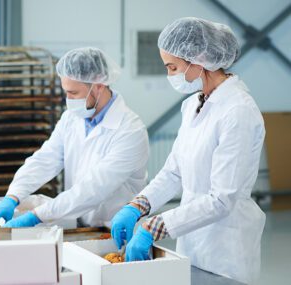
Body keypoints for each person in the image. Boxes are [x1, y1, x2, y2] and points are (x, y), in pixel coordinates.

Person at [111, 17, 266, 284]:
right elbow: (174, 172)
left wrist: (154, 227)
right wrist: (137, 206)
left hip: (225, 248)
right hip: (191, 241)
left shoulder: (238, 111)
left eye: (172, 67)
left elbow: (222, 199)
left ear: (199, 60)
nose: (170, 75)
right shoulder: (193, 104)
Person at [0, 47, 149, 229]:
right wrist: (13, 196)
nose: (68, 99)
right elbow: (46, 159)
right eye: (66, 92)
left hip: (117, 229)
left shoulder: (130, 131)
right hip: (81, 224)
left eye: (73, 93)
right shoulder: (71, 118)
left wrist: (37, 216)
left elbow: (93, 188)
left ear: (98, 86)